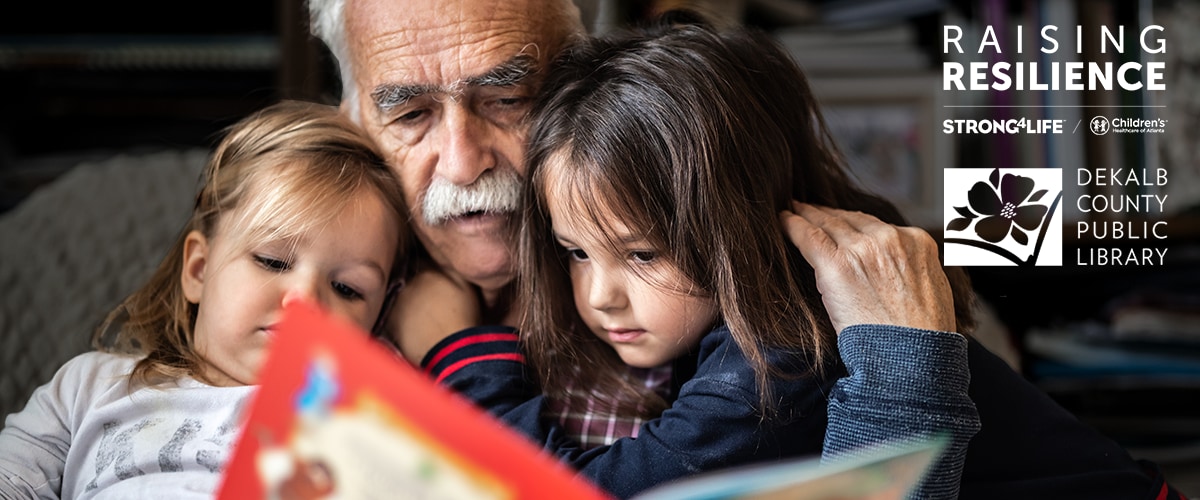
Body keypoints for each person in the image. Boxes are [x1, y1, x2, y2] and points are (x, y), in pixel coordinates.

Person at [415, 15, 1187, 500]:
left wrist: (463, 353)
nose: (600, 297)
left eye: (642, 253)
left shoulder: (783, 354)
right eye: (576, 253)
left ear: (739, 225)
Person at [0, 100, 411, 498]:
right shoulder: (90, 387)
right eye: (272, 261)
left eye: (348, 290)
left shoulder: (361, 420)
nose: (305, 299)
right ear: (198, 270)